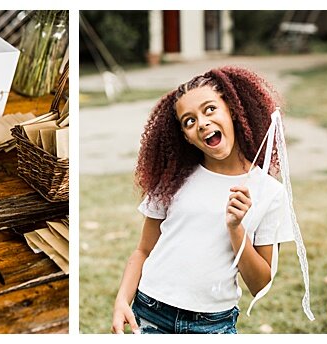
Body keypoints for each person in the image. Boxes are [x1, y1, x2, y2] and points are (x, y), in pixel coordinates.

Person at [110, 66, 298, 334]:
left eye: (210, 109)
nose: (202, 122)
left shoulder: (269, 192)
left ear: (231, 110)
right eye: (189, 121)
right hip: (151, 309)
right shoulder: (172, 180)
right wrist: (121, 301)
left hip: (213, 323)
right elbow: (143, 251)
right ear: (186, 136)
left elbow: (260, 284)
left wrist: (236, 229)